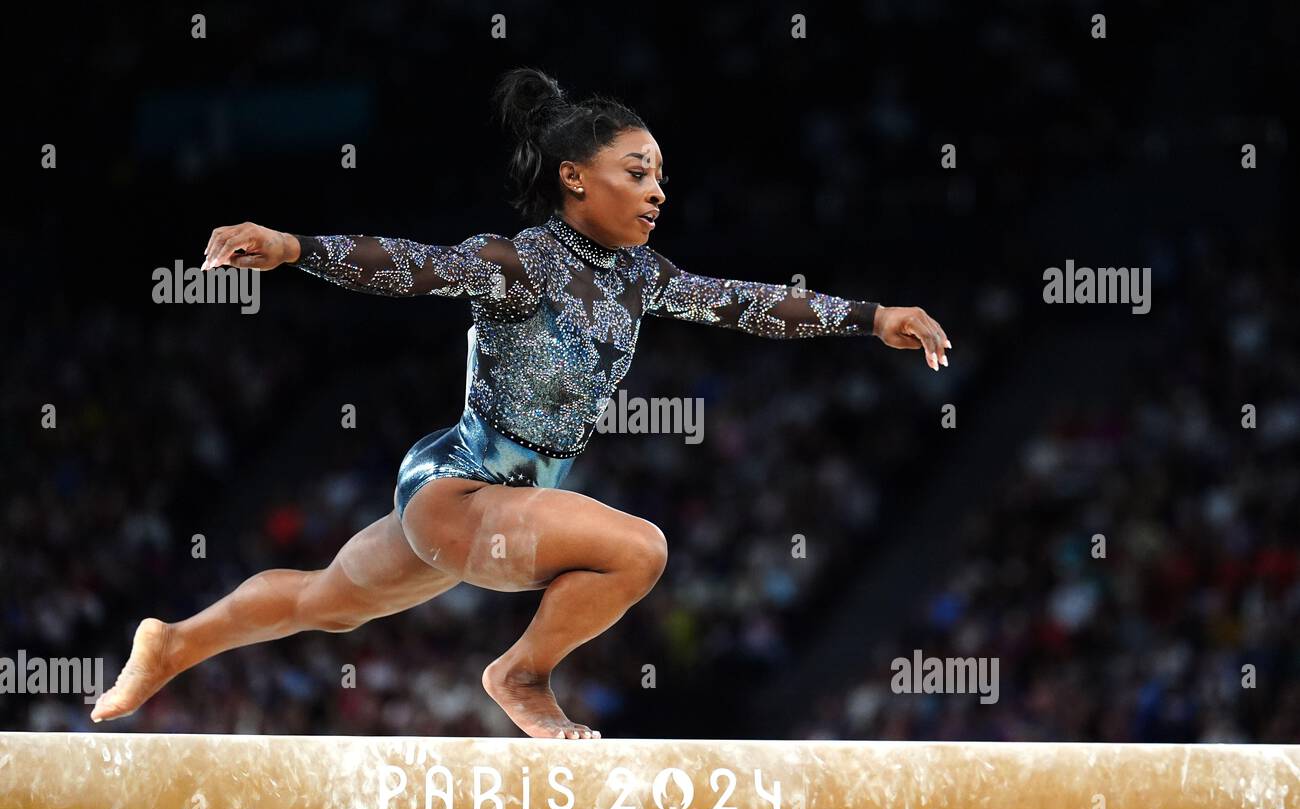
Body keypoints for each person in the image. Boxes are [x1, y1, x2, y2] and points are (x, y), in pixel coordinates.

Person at [91, 67, 951, 739]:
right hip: (458, 491)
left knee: (329, 603)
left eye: (663, 176)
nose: (658, 191)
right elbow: (413, 263)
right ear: (575, 177)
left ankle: (175, 641)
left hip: (470, 502)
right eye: (637, 172)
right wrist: (294, 247)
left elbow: (749, 302)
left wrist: (874, 317)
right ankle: (522, 675)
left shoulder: (644, 277)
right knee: (638, 551)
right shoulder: (519, 264)